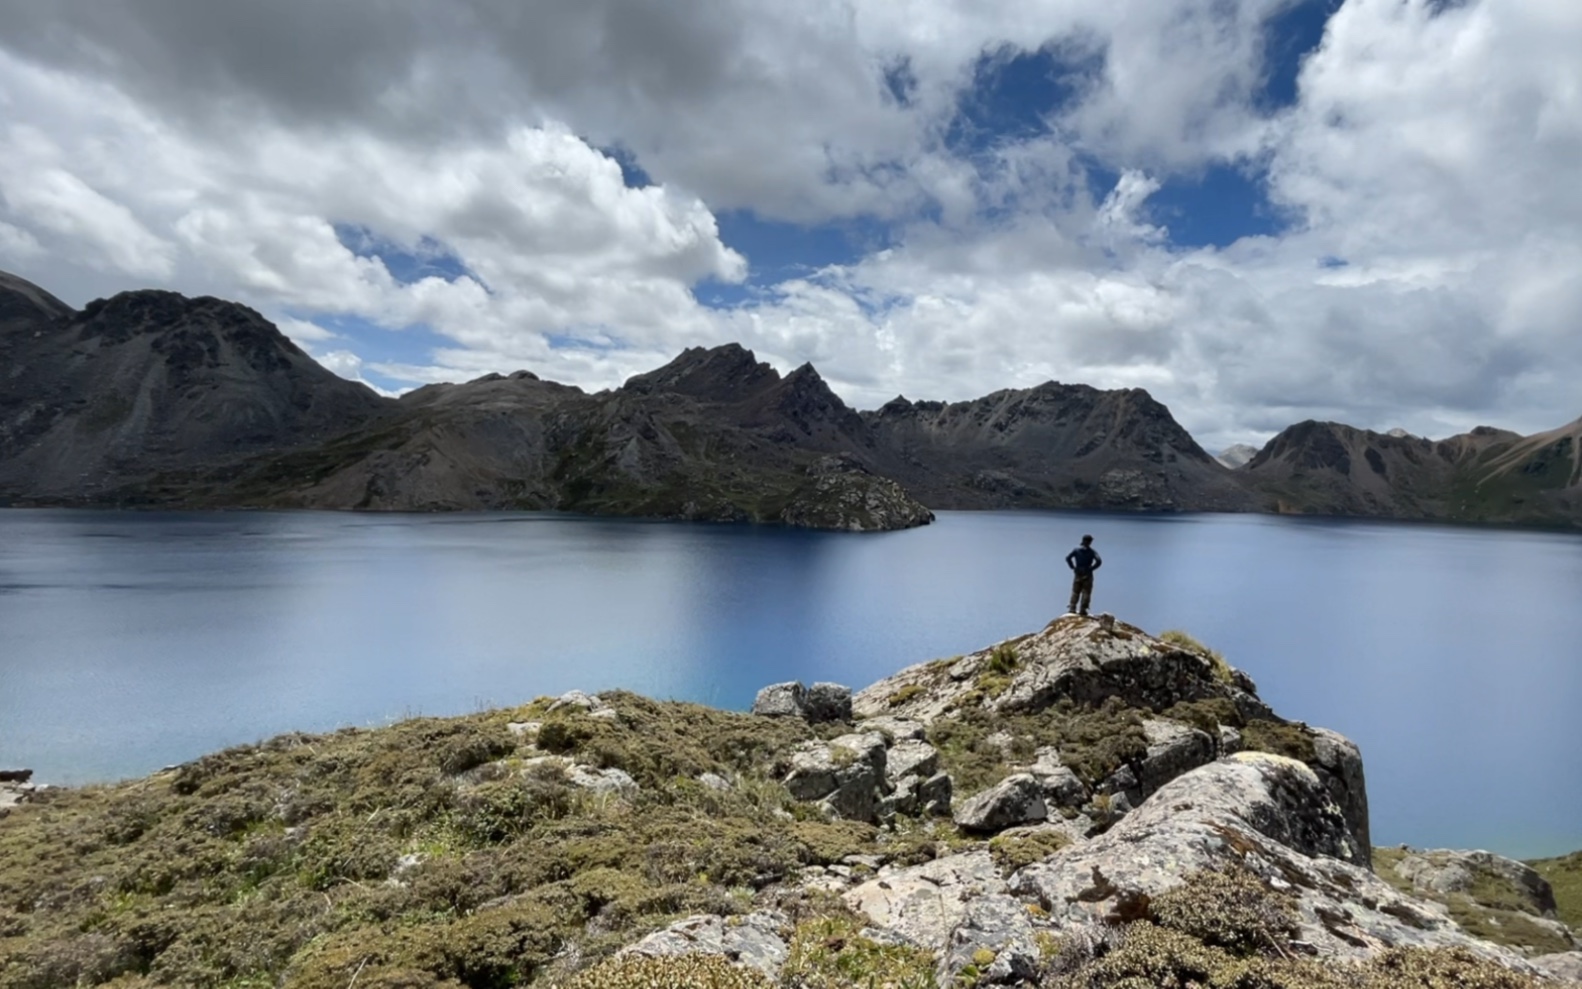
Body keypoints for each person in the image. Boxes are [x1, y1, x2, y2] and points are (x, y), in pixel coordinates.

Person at [1065, 534, 1102, 616]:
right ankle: (1083, 609)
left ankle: (1072, 608)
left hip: (1078, 573)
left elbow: (1068, 558)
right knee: (1086, 592)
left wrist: (1073, 567)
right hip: (1087, 574)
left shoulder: (1076, 550)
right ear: (1089, 542)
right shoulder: (1092, 552)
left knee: (1075, 591)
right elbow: (1099, 561)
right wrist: (1091, 568)